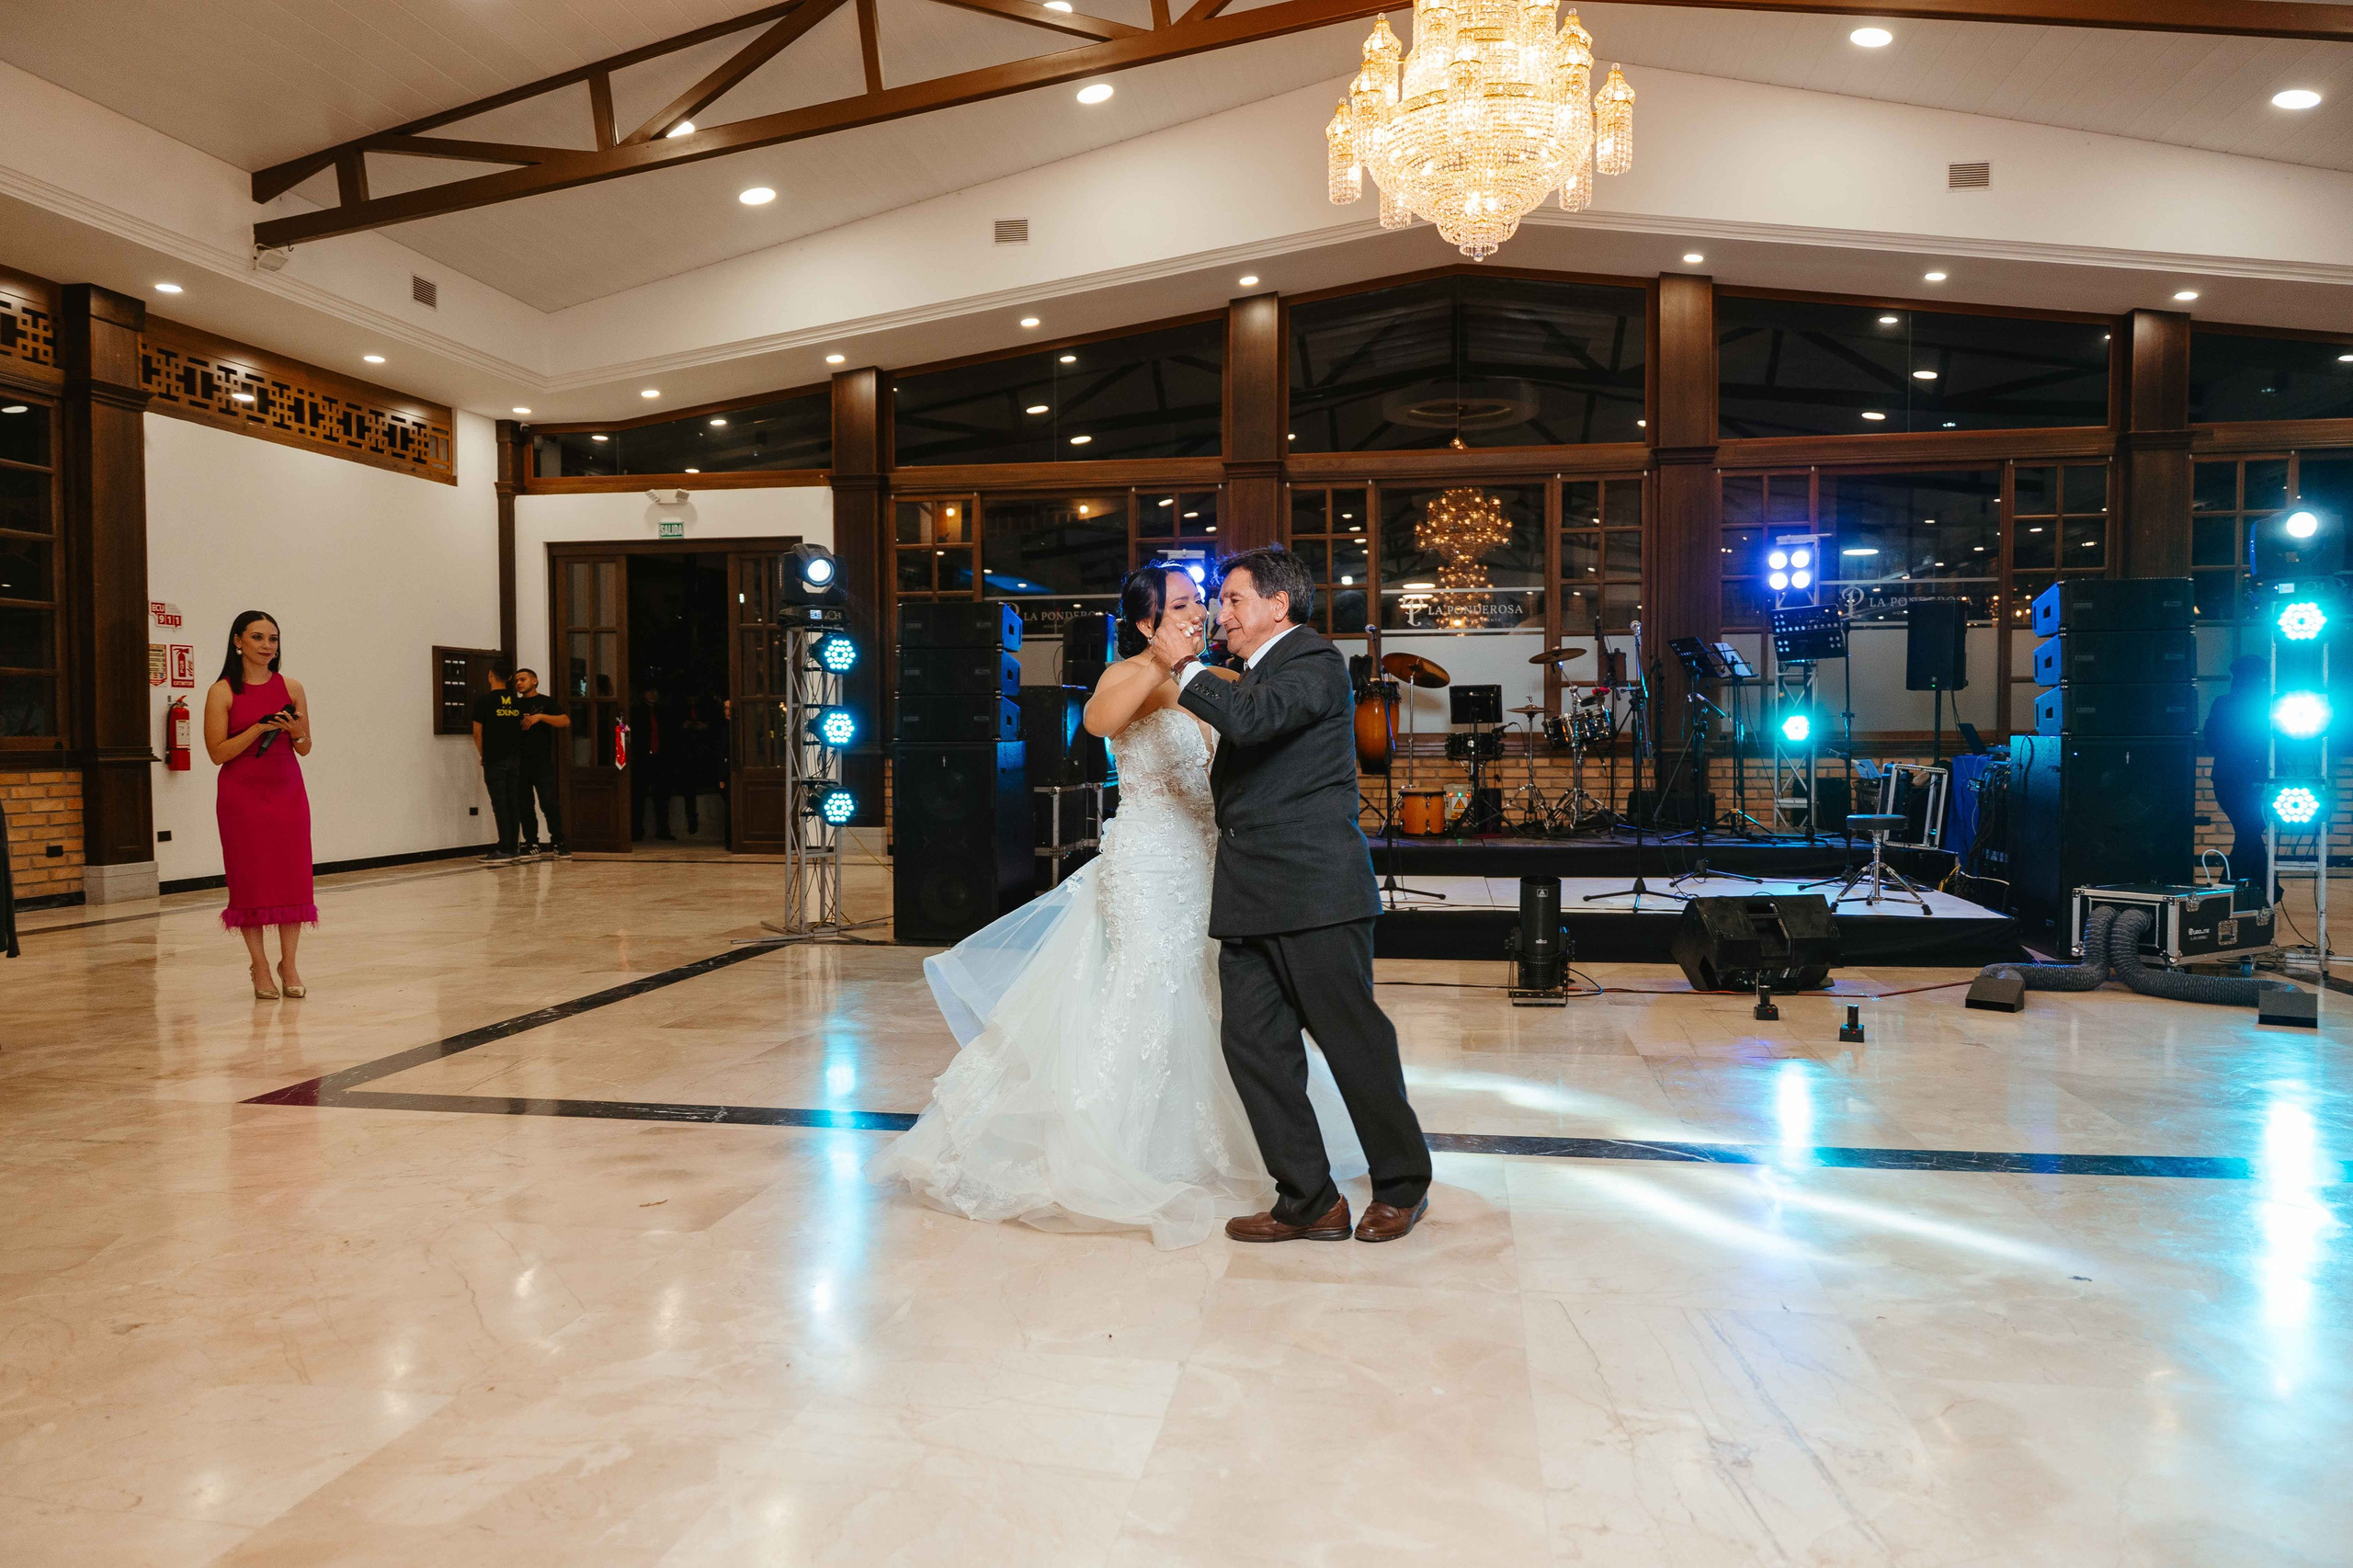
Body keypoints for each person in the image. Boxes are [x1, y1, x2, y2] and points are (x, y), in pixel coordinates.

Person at [873, 563, 1369, 1249]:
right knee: (1145, 988)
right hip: (1149, 862)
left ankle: (1252, 1153)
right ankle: (1123, 1151)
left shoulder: (1217, 678)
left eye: (1204, 603)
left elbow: (1258, 725)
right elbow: (1099, 721)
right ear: (1145, 621)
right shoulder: (1127, 676)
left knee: (1216, 1001)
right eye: (1183, 606)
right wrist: (1161, 663)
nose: (1201, 614)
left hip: (1213, 867)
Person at [1153, 546, 1432, 1244]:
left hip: (1315, 892)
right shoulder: (1252, 670)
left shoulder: (1315, 661)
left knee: (1353, 1043)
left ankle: (1402, 1185)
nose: (1222, 614)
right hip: (1248, 892)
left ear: (1279, 604)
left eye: (1234, 600)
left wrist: (1178, 665)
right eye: (1221, 602)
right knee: (1253, 1047)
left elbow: (1252, 719)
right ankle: (1308, 1198)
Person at [205, 610, 314, 999]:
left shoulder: (293, 687)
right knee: (249, 879)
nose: (267, 646)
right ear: (238, 641)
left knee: (291, 875)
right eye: (257, 638)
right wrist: (257, 728)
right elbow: (217, 753)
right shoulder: (222, 691)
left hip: (287, 791)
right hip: (241, 797)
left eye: (273, 639)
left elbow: (305, 747)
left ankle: (289, 963)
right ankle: (261, 966)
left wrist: (296, 731)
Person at [2203, 654, 2273, 896]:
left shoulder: (2225, 703)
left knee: (2249, 832)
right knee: (2250, 830)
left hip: (2232, 780)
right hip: (2240, 780)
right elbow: (2213, 742)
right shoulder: (2260, 705)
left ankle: (2260, 888)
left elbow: (2212, 743)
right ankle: (2230, 888)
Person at [510, 667, 571, 859]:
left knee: (549, 803)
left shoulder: (546, 702)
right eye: (517, 680)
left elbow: (565, 721)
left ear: (535, 680)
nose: (519, 683)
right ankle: (530, 842)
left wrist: (540, 717)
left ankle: (558, 841)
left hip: (542, 761)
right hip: (519, 762)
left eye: (523, 679)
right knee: (524, 804)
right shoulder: (513, 704)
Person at [472, 663, 527, 864]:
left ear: (490, 676)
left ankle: (504, 848)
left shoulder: (484, 701)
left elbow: (477, 732)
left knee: (500, 803)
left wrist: (483, 754)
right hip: (515, 758)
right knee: (513, 802)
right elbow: (522, 727)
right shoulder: (518, 702)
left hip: (495, 758)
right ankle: (514, 846)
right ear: (510, 678)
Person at [630, 686, 677, 842]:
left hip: (661, 758)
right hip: (642, 758)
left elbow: (670, 734)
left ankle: (663, 830)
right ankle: (636, 831)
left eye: (656, 692)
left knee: (662, 797)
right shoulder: (635, 712)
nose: (653, 695)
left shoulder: (664, 712)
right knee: (638, 796)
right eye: (649, 691)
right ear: (643, 694)